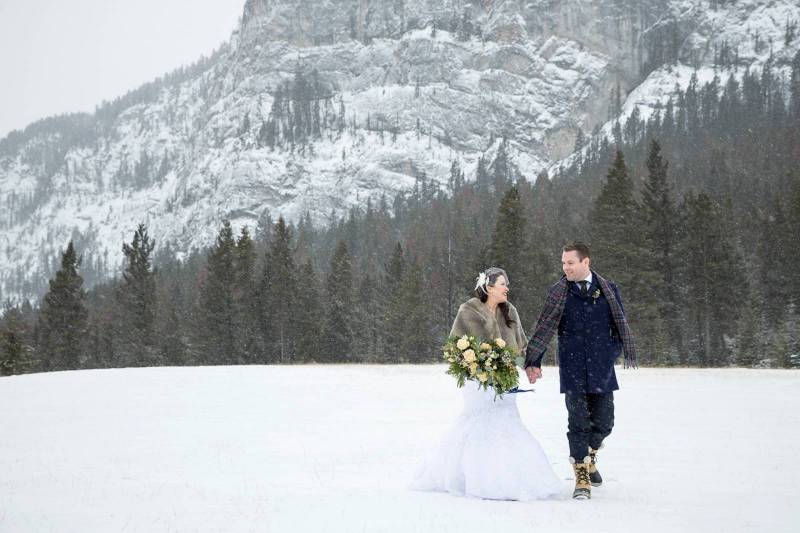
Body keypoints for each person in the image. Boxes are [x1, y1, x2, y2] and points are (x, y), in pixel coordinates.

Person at [412, 267, 563, 501]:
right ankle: (473, 477)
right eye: (503, 283)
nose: (507, 288)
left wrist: (529, 366)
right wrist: (477, 366)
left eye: (507, 283)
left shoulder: (510, 311)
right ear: (489, 287)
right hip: (477, 383)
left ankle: (515, 478)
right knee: (478, 426)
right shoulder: (468, 311)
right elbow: (455, 347)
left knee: (508, 425)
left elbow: (521, 346)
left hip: (506, 380)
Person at [524, 242, 637, 500]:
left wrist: (611, 352)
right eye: (563, 263)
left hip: (602, 367)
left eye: (570, 263)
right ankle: (582, 476)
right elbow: (544, 328)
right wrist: (533, 360)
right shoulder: (558, 292)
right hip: (573, 366)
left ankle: (590, 455)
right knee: (578, 423)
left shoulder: (608, 290)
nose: (565, 268)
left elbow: (620, 327)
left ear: (586, 262)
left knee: (605, 422)